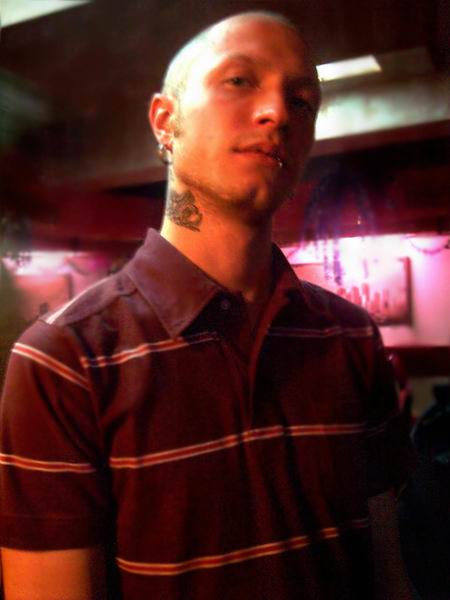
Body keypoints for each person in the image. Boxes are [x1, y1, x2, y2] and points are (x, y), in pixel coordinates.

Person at [0, 11, 415, 599]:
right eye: (239, 80)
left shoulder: (350, 336)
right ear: (165, 121)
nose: (278, 113)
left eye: (302, 101)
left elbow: (387, 573)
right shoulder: (66, 360)